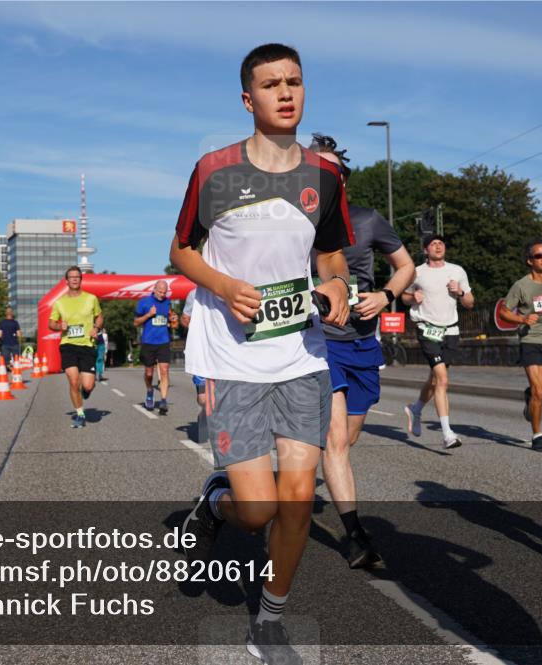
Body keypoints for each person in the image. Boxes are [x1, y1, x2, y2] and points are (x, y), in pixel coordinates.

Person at [172, 43, 353, 665]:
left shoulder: (324, 176)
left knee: (297, 496)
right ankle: (216, 502)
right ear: (248, 100)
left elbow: (331, 253)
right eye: (271, 84)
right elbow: (181, 250)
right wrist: (225, 287)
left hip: (301, 353)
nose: (285, 92)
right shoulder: (214, 169)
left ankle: (269, 623)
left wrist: (336, 284)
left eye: (294, 81)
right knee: (256, 512)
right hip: (232, 357)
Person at [308, 132, 416, 569]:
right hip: (319, 343)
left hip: (362, 343)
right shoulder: (294, 226)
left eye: (332, 171)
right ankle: (355, 535)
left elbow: (406, 266)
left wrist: (386, 296)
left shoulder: (368, 220)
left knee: (345, 441)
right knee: (335, 440)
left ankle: (295, 469)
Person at [402, 235, 475, 450]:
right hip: (427, 329)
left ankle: (415, 409)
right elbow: (404, 297)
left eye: (441, 243)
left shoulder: (457, 271)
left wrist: (460, 292)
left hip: (451, 330)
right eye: (433, 244)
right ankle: (447, 434)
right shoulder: (416, 272)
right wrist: (412, 297)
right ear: (426, 250)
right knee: (442, 379)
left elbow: (470, 302)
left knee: (435, 380)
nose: (438, 246)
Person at [498, 240, 542, 452]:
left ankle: (531, 397)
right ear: (530, 261)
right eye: (539, 256)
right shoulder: (521, 286)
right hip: (531, 341)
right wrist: (522, 319)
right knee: (539, 390)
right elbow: (503, 311)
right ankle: (537, 436)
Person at [49, 266, 103, 429]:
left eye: (77, 277)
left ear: (81, 279)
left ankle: (86, 390)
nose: (74, 279)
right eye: (71, 277)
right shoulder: (60, 302)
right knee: (73, 381)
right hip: (68, 345)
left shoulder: (91, 299)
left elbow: (99, 317)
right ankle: (80, 414)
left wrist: (96, 328)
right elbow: (51, 323)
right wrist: (59, 326)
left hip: (87, 346)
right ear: (66, 281)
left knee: (87, 385)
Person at [134, 280, 174, 414]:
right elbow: (136, 322)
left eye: (164, 292)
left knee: (164, 370)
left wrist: (173, 320)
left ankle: (163, 400)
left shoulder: (168, 302)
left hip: (163, 341)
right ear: (154, 289)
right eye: (160, 292)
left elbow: (170, 320)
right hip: (148, 342)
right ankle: (150, 390)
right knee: (149, 373)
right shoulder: (144, 302)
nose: (162, 295)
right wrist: (148, 315)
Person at [180, 288, 206, 410]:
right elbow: (185, 319)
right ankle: (205, 415)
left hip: (223, 350)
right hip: (202, 351)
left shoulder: (228, 288)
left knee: (223, 395)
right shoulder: (195, 293)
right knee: (203, 398)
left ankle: (213, 417)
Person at [0, 307, 22, 371]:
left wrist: (1, 341)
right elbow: (19, 334)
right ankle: (16, 372)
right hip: (15, 344)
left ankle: (7, 371)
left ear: (6, 313)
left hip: (5, 344)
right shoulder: (15, 323)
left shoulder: (2, 323)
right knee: (16, 361)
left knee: (5, 362)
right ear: (12, 313)